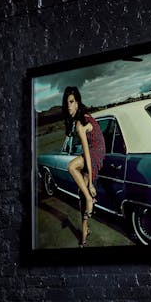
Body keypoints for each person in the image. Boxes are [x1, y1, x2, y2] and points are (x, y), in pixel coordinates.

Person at [61, 85, 105, 247]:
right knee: (82, 193)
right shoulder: (81, 119)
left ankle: (89, 198)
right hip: (96, 151)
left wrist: (91, 180)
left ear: (77, 103)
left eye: (71, 102)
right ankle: (85, 233)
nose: (69, 106)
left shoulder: (80, 123)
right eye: (67, 103)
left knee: (72, 167)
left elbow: (87, 152)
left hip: (96, 152)